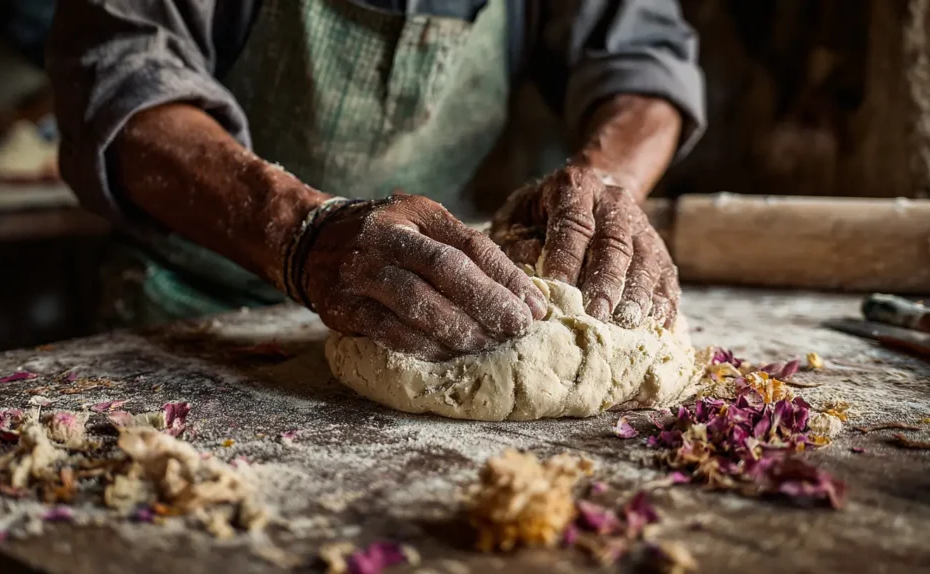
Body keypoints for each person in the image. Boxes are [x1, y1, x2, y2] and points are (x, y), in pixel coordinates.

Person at [46, 0, 705, 361]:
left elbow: (641, 54)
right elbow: (121, 77)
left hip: (439, 305)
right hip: (194, 314)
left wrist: (606, 179)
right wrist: (302, 236)